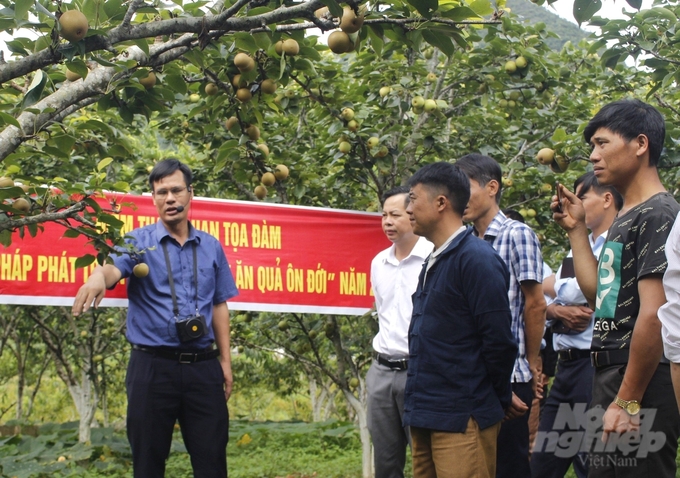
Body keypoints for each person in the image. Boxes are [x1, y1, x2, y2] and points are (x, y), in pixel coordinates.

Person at [72, 158, 238, 478]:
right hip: (151, 368)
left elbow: (219, 305)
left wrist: (225, 362)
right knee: (148, 464)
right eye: (161, 193)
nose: (170, 199)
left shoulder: (211, 247)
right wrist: (96, 277)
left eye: (176, 190)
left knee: (212, 462)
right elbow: (111, 268)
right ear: (153, 198)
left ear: (191, 193)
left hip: (203, 369)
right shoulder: (137, 243)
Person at [552, 99, 680, 476]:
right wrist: (577, 229)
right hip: (613, 374)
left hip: (640, 377)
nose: (593, 156)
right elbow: (604, 298)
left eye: (602, 143)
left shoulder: (658, 213)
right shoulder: (627, 214)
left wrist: (627, 401)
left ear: (640, 144)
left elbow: (654, 315)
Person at [402, 162, 518, 478]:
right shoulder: (434, 260)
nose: (407, 208)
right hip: (426, 412)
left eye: (413, 199)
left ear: (441, 203)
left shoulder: (476, 259)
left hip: (462, 417)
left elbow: (498, 341)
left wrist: (495, 399)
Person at [456, 154, 547, 478]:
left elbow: (535, 303)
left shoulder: (516, 234)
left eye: (465, 188)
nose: (458, 198)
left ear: (492, 187)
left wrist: (533, 362)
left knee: (508, 464)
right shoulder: (464, 240)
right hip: (474, 375)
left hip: (510, 373)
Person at [531, 171, 622, 478]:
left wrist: (561, 290)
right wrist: (558, 303)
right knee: (543, 463)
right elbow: (564, 288)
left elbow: (579, 289)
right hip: (567, 368)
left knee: (591, 462)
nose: (574, 205)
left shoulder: (617, 242)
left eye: (582, 197)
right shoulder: (578, 246)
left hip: (594, 368)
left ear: (607, 199)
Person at [368, 186, 433, 478]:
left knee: (425, 459)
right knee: (385, 461)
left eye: (395, 215)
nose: (387, 222)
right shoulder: (378, 263)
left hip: (419, 371)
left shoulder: (434, 257)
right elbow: (382, 312)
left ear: (413, 214)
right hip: (381, 370)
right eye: (383, 215)